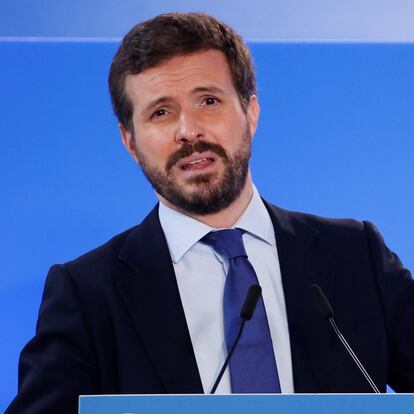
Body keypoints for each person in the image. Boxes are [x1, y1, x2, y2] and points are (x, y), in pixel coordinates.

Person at [6, 12, 414, 414]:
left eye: (209, 101)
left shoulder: (357, 254)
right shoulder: (88, 293)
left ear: (250, 113)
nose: (188, 130)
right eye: (161, 112)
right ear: (129, 141)